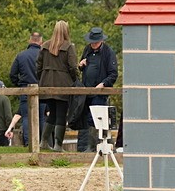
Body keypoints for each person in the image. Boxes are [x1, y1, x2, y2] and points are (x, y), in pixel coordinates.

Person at [36, 20, 78, 152]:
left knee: (52, 113)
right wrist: (75, 79)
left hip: (47, 83)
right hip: (63, 84)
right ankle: (58, 145)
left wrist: (42, 79)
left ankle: (43, 142)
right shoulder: (69, 47)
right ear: (66, 31)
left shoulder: (45, 46)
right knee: (61, 115)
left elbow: (38, 66)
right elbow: (73, 66)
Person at [77, 27, 118, 152]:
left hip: (100, 91)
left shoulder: (108, 52)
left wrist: (103, 84)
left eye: (95, 42)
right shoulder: (87, 50)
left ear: (101, 40)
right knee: (86, 117)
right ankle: (85, 147)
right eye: (92, 42)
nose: (93, 44)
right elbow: (82, 67)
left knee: (98, 118)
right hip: (86, 90)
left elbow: (113, 74)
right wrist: (80, 65)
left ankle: (96, 146)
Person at [8, 31, 42, 147]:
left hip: (25, 90)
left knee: (27, 117)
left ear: (30, 40)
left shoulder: (21, 55)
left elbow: (13, 74)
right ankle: (40, 142)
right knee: (41, 117)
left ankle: (28, 143)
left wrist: (19, 84)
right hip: (42, 90)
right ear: (40, 41)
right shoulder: (44, 55)